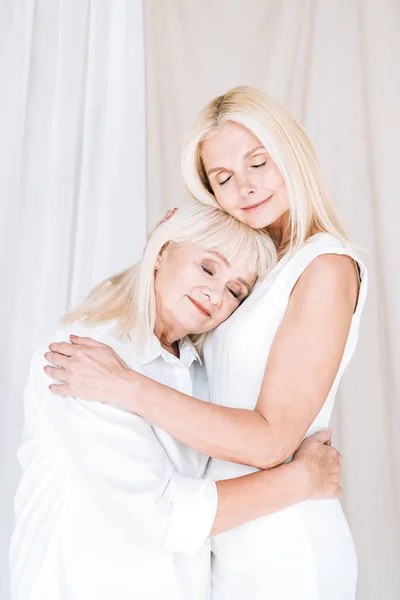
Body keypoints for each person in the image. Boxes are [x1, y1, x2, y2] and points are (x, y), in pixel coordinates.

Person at [45, 87, 367, 600]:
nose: (246, 188)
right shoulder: (253, 272)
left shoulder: (324, 266)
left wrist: (126, 387)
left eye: (258, 163)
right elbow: (172, 301)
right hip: (224, 542)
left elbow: (270, 442)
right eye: (223, 178)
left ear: (289, 152)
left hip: (283, 546)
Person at [10, 202, 341, 600]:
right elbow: (159, 515)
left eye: (236, 291)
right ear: (163, 249)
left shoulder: (198, 373)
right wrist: (301, 480)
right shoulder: (80, 357)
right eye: (208, 267)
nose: (216, 294)